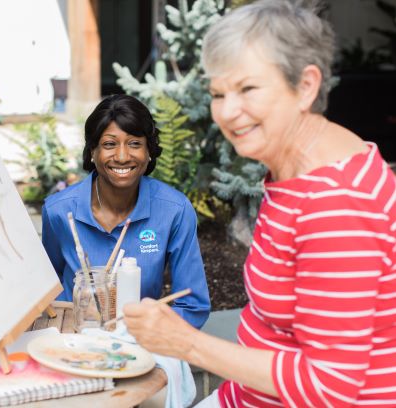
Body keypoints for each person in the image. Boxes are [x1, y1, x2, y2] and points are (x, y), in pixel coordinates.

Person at [123, 1, 396, 407]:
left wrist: (185, 343)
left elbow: (330, 386)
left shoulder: (335, 202)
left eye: (248, 88)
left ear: (305, 86)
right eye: (218, 93)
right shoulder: (295, 167)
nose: (228, 112)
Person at [41, 94, 211, 328]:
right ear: (92, 151)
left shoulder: (174, 211)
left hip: (143, 342)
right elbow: (46, 290)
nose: (122, 156)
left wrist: (145, 336)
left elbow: (193, 306)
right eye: (110, 144)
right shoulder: (58, 211)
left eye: (134, 144)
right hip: (74, 338)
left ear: (149, 151)